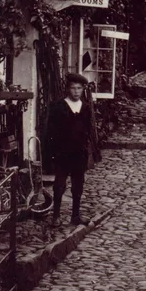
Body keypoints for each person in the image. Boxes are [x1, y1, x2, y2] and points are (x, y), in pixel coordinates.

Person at [45, 73, 94, 227]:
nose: (76, 91)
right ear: (67, 89)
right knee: (59, 185)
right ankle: (56, 216)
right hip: (62, 153)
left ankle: (75, 216)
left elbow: (89, 129)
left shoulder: (85, 108)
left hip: (79, 153)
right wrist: (52, 153)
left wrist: (89, 149)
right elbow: (50, 132)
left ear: (83, 89)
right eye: (73, 88)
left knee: (78, 185)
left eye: (79, 88)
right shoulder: (58, 107)